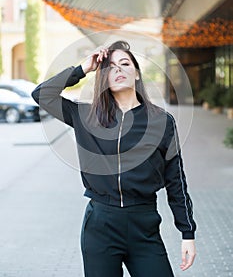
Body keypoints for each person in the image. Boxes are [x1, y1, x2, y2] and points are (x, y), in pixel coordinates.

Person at [32, 40, 196, 277]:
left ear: (137, 73)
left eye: (125, 63)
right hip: (100, 227)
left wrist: (187, 233)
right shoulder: (86, 116)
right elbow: (41, 95)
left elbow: (176, 181)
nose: (118, 69)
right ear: (103, 79)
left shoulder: (162, 121)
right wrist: (82, 69)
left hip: (144, 226)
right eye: (109, 67)